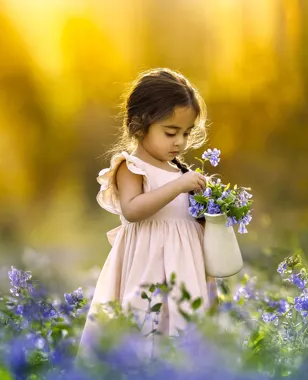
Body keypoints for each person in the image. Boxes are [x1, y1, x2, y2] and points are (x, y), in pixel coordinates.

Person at [78, 68, 216, 358]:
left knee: (184, 334)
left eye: (186, 133)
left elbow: (189, 219)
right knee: (145, 329)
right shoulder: (131, 166)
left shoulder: (181, 171)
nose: (179, 142)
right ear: (140, 126)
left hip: (184, 264)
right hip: (149, 264)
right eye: (170, 132)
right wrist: (180, 186)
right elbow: (132, 210)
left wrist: (208, 203)